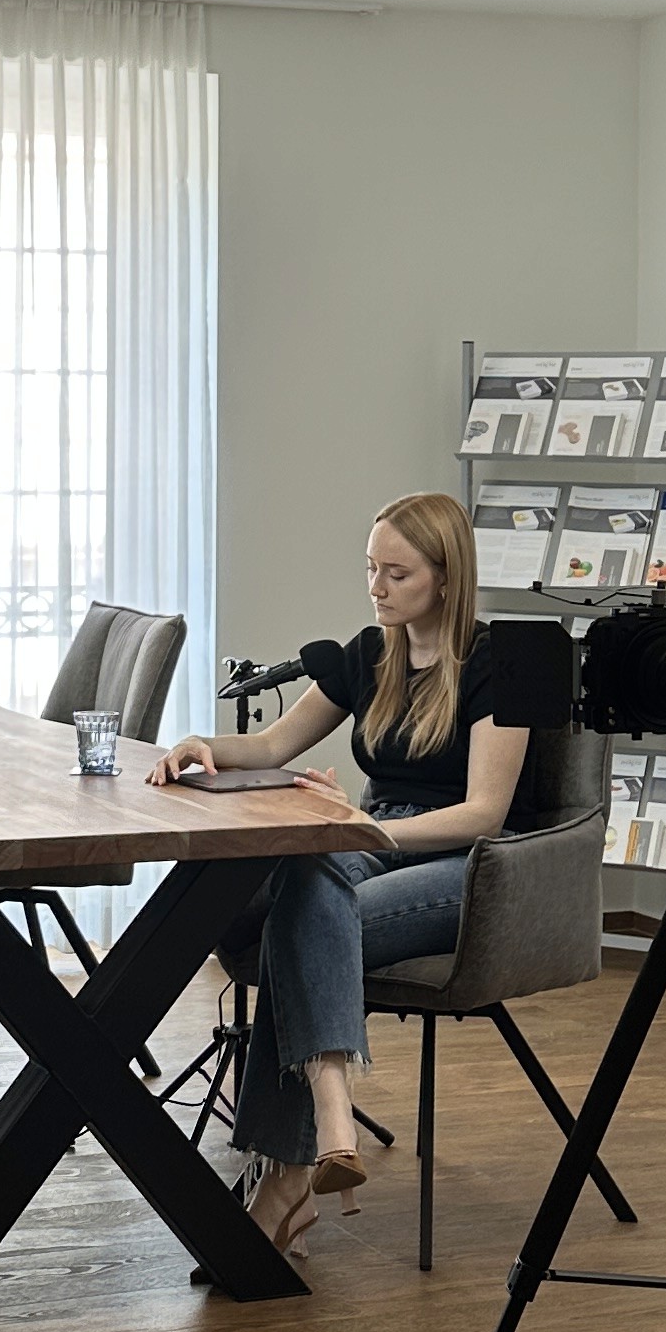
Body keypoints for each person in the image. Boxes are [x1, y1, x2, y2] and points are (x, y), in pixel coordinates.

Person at [149, 491, 527, 1262]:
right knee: (306, 883)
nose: (376, 587)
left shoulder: (501, 665)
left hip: (468, 866)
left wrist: (360, 828)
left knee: (301, 908)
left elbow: (485, 813)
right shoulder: (369, 654)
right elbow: (273, 746)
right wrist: (202, 745)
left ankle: (288, 1174)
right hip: (373, 839)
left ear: (447, 577)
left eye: (397, 573)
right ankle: (327, 1121)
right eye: (370, 568)